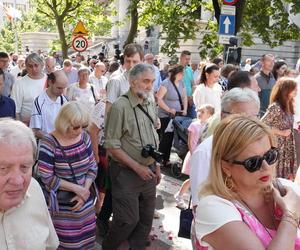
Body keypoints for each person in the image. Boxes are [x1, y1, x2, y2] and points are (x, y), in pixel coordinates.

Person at [195, 115, 300, 249]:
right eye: (253, 162)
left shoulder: (285, 189)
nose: (266, 167)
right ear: (226, 167)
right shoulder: (214, 207)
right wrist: (290, 217)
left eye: (270, 156)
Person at [102, 63, 161, 250]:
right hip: (126, 173)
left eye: (151, 81)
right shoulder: (120, 106)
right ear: (132, 81)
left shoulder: (150, 102)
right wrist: (138, 168)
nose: (149, 86)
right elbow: (111, 146)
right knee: (127, 220)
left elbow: (153, 136)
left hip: (149, 171)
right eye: (145, 81)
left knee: (145, 221)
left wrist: (156, 165)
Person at [38, 101, 98, 249]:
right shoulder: (49, 142)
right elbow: (47, 177)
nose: (80, 131)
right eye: (76, 127)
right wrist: (78, 190)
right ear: (64, 122)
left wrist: (84, 190)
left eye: (83, 126)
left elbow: (92, 166)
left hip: (86, 206)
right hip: (64, 210)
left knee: (87, 243)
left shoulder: (84, 137)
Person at [190, 88, 260, 207]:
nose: (248, 123)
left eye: (253, 117)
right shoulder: (206, 152)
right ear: (223, 116)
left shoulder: (258, 148)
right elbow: (200, 204)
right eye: (241, 117)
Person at [0, 119, 59, 249]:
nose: (18, 181)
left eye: (25, 167)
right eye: (3, 168)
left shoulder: (34, 188)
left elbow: (51, 245)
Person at [174, 104, 215, 209]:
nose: (199, 114)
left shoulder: (209, 127)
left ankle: (193, 201)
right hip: (194, 154)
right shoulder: (194, 125)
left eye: (203, 112)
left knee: (197, 179)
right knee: (193, 179)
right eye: (199, 111)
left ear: (210, 115)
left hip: (202, 157)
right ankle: (180, 196)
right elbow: (190, 142)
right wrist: (194, 155)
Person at [262, 77, 297, 179]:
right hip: (278, 147)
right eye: (293, 89)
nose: (296, 91)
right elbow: (262, 124)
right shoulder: (276, 107)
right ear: (286, 90)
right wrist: (281, 132)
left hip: (287, 147)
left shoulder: (288, 104)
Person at [156, 64, 188, 166]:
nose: (183, 76)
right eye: (182, 74)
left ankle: (166, 159)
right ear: (176, 74)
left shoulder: (181, 83)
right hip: (165, 114)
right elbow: (159, 99)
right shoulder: (166, 83)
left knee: (171, 137)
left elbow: (184, 97)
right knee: (166, 137)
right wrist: (168, 109)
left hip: (177, 115)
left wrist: (185, 109)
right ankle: (160, 159)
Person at [29, 70, 68, 139]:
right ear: (50, 82)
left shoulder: (65, 100)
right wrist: (53, 139)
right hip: (47, 144)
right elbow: (35, 130)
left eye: (64, 88)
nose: (62, 91)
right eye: (59, 88)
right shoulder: (39, 102)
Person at [106, 43, 144, 113]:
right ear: (124, 59)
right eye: (128, 61)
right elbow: (108, 111)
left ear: (142, 61)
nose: (131, 65)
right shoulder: (115, 81)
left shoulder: (146, 82)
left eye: (135, 62)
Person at [11, 53, 47, 125]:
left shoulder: (50, 80)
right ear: (26, 67)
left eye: (36, 65)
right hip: (28, 126)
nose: (34, 69)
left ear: (42, 65)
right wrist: (22, 128)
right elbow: (15, 111)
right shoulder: (19, 84)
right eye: (30, 66)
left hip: (49, 126)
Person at [180, 50, 196, 118]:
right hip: (180, 100)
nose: (188, 61)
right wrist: (185, 97)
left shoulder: (189, 69)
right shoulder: (176, 69)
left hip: (190, 100)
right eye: (186, 59)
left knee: (191, 119)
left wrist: (191, 97)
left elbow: (193, 84)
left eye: (189, 59)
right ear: (181, 58)